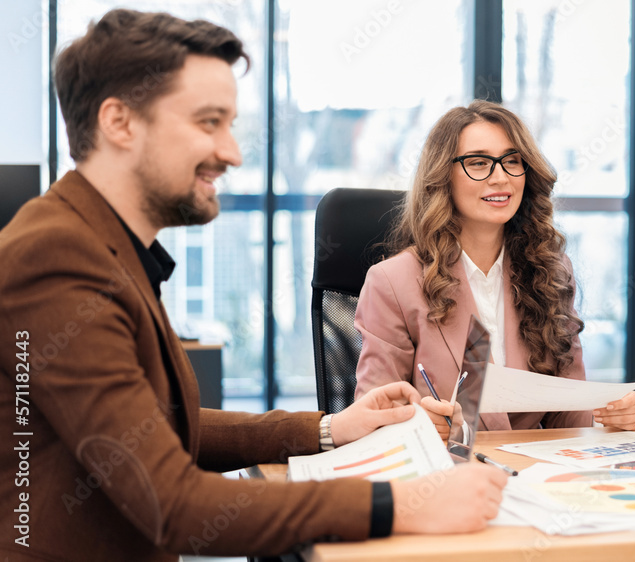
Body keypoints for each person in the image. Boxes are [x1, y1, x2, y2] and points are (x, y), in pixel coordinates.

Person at [0, 10, 505, 561]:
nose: (232, 153)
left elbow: (163, 427)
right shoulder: (56, 258)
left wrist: (333, 429)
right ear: (119, 123)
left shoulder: (98, 243)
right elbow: (169, 502)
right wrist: (399, 505)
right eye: (208, 122)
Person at [353, 100, 635, 432]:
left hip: (529, 474)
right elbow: (373, 419)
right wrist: (419, 424)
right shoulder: (393, 282)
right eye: (478, 163)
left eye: (512, 161)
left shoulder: (550, 272)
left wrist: (609, 415)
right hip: (444, 475)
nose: (500, 177)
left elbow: (568, 420)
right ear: (441, 176)